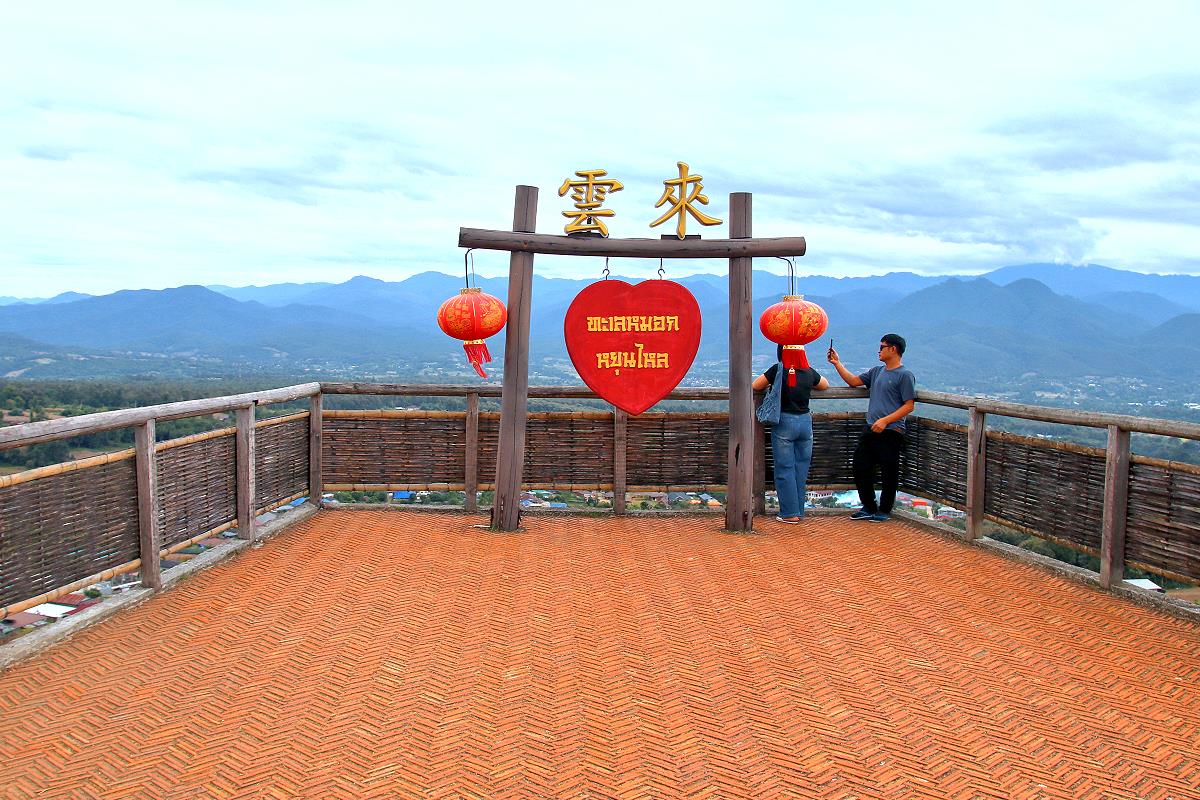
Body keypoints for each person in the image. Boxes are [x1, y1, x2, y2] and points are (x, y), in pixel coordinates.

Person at [827, 334, 916, 522]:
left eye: (882, 347)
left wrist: (885, 420)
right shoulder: (877, 371)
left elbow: (909, 405)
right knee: (860, 466)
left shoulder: (904, 375)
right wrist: (837, 363)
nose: (879, 350)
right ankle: (868, 506)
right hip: (871, 429)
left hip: (892, 431)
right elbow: (853, 382)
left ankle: (884, 510)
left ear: (893, 349)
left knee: (889, 472)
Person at [753, 344, 830, 523]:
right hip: (805, 422)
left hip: (784, 422)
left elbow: (756, 385)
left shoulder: (778, 369)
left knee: (784, 468)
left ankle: (789, 513)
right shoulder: (809, 372)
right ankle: (799, 510)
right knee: (800, 469)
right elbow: (825, 385)